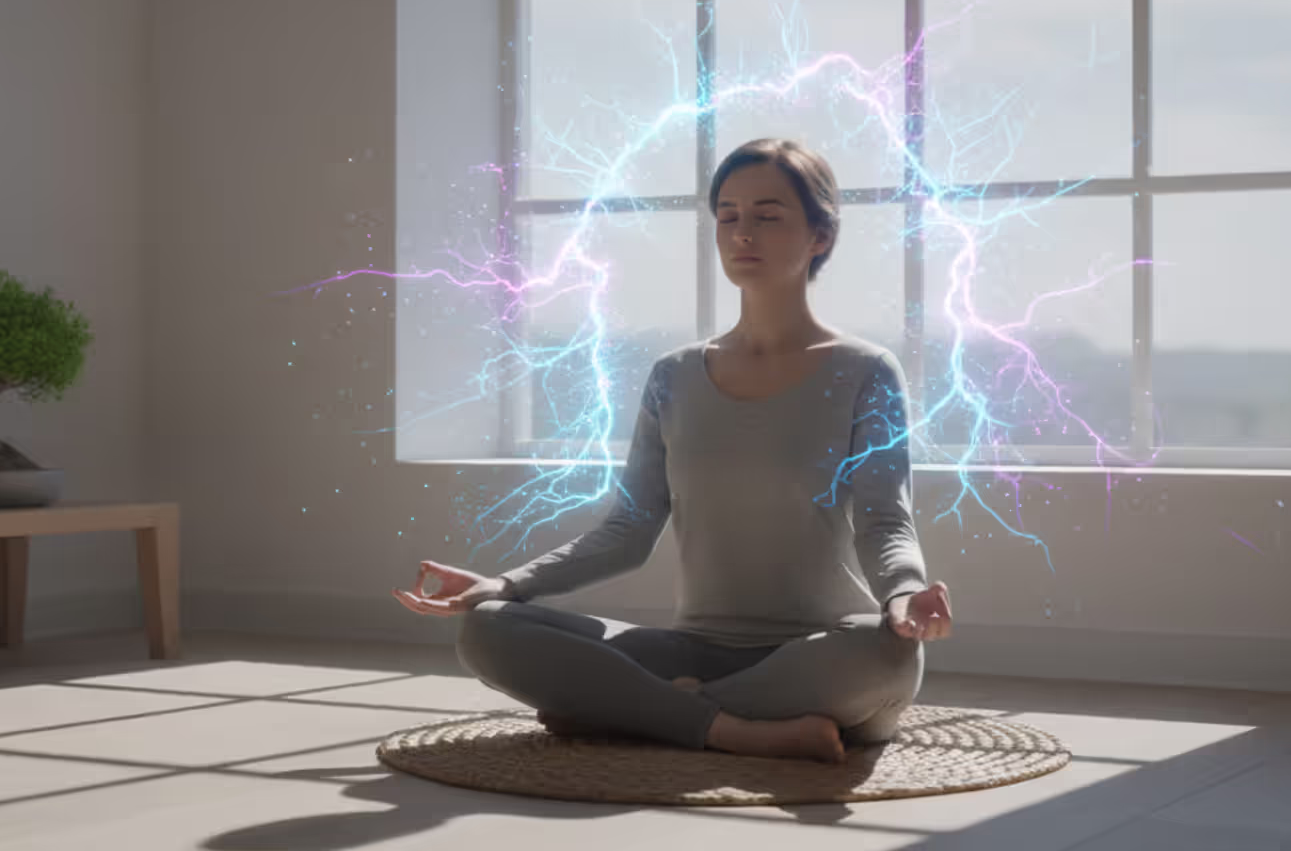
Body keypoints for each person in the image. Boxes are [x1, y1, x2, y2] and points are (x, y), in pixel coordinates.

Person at [394, 138, 953, 764]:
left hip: (821, 651)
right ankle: (737, 729)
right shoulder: (674, 376)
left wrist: (903, 595)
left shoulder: (865, 371)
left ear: (820, 235)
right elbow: (628, 531)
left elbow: (885, 518)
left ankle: (633, 712)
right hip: (693, 649)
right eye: (728, 216)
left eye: (768, 216)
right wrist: (505, 583)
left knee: (885, 652)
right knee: (489, 627)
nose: (743, 233)